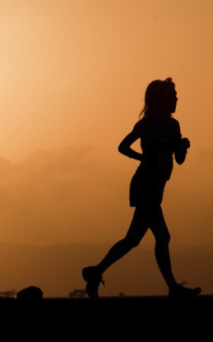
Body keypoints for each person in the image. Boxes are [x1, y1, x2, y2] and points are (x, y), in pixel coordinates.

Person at [82, 77, 201, 299]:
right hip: (145, 184)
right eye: (172, 97)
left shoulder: (174, 125)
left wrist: (182, 147)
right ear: (160, 100)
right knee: (162, 236)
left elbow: (179, 159)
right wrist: (144, 158)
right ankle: (173, 288)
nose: (176, 101)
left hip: (157, 187)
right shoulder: (146, 124)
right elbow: (123, 146)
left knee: (133, 239)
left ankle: (95, 272)